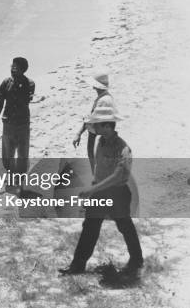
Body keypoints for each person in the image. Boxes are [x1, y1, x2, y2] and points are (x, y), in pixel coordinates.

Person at [59, 106, 143, 276]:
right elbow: (100, 170)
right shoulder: (100, 141)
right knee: (90, 227)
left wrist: (92, 189)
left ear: (107, 126)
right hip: (99, 193)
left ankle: (137, 260)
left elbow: (117, 176)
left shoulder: (124, 150)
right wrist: (93, 188)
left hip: (118, 194)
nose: (94, 129)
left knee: (125, 226)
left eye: (97, 125)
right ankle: (77, 265)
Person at [0, 57, 35, 180]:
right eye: (12, 67)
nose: (12, 70)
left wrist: (20, 86)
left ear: (23, 70)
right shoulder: (6, 82)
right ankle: (11, 174)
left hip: (23, 122)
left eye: (16, 68)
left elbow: (26, 101)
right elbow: (0, 102)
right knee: (8, 152)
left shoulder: (30, 84)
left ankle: (20, 177)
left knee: (23, 151)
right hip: (8, 122)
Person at [73, 72, 117, 173]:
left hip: (97, 134)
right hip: (98, 134)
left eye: (94, 85)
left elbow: (92, 120)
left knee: (95, 159)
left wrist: (79, 133)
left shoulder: (103, 101)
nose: (93, 88)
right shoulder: (105, 98)